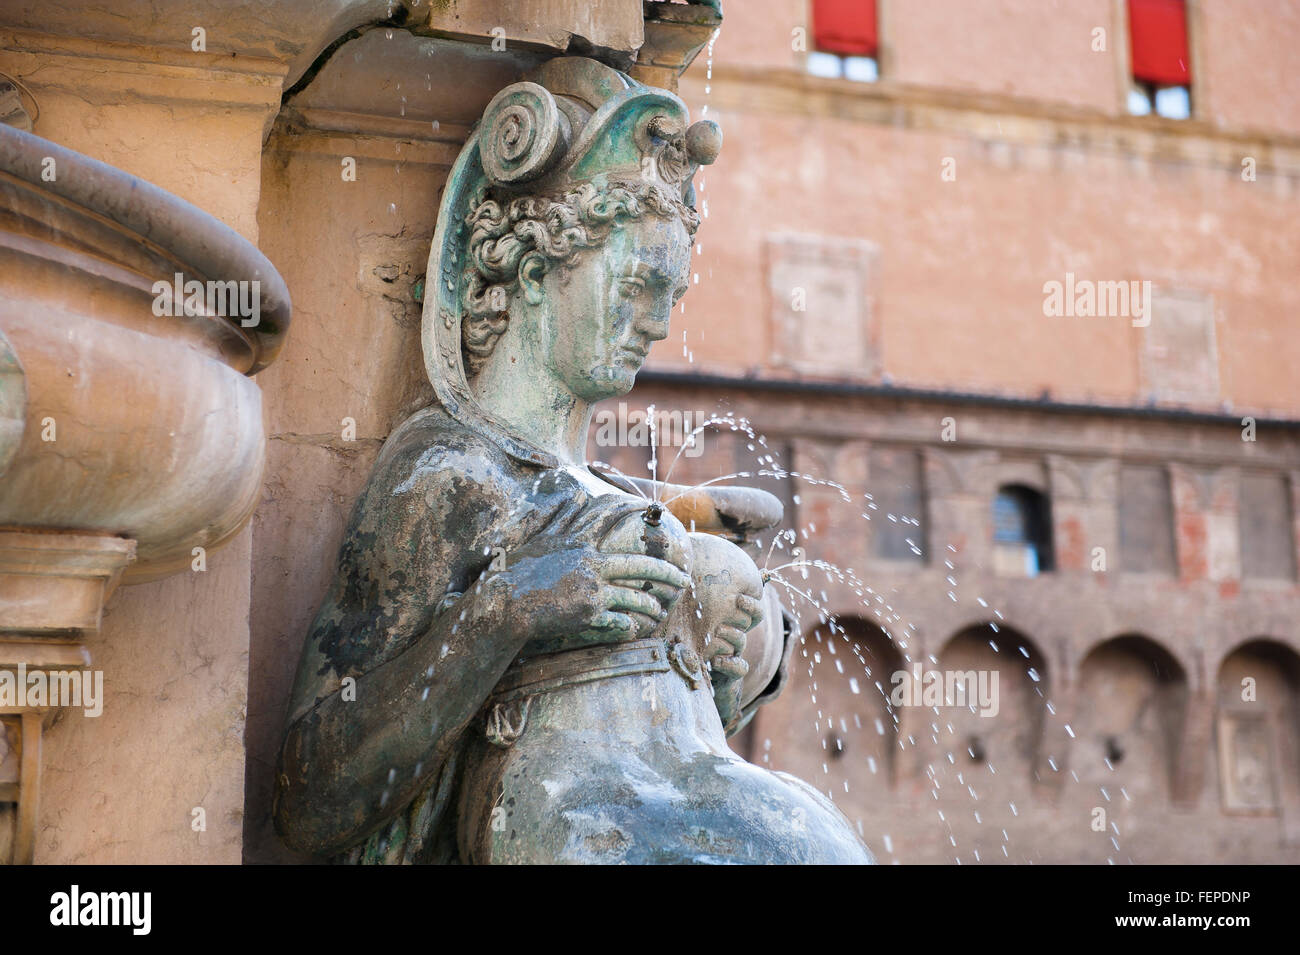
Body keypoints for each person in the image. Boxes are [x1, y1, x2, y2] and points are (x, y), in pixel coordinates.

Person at [273, 57, 872, 864]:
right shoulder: (448, 474)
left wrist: (733, 652)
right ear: (535, 266)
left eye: (671, 296)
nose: (657, 325)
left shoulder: (611, 493)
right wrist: (505, 610)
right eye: (635, 287)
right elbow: (311, 795)